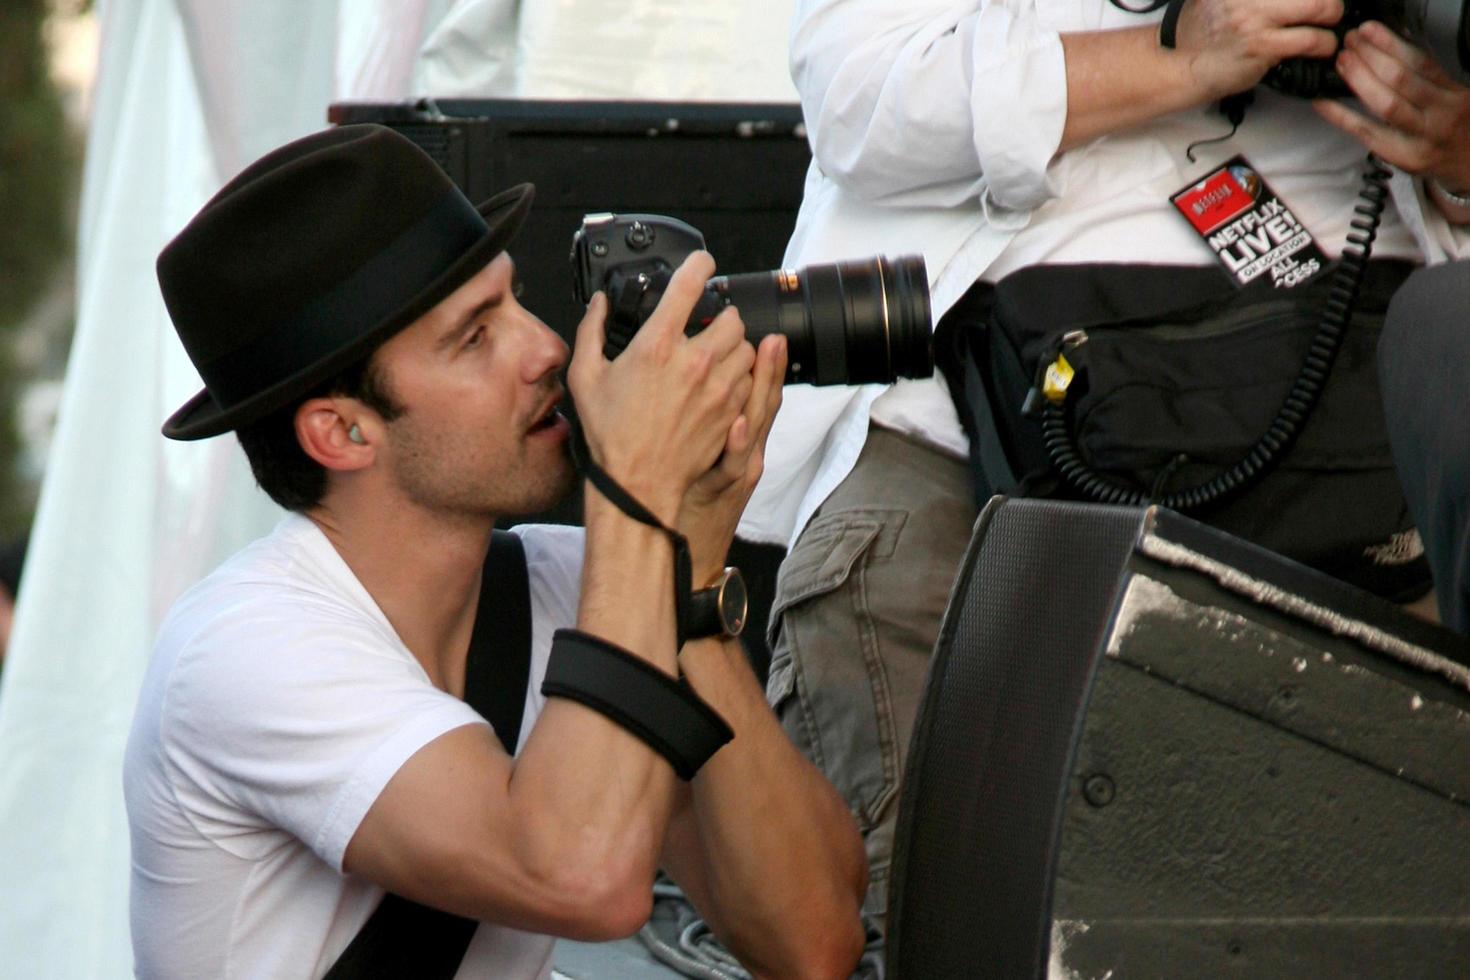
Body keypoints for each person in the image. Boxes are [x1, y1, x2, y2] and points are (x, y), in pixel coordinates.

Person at [737, 0, 1470, 937]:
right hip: (966, 400)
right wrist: (1183, 59)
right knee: (900, 624)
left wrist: (1454, 152)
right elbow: (861, 97)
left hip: (1342, 368)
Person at [122, 124, 867, 979]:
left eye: (512, 300)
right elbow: (582, 877)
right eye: (474, 337)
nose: (546, 347)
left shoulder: (576, 589)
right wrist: (637, 502)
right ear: (343, 431)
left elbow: (812, 942)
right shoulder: (243, 649)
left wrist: (687, 568)